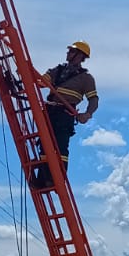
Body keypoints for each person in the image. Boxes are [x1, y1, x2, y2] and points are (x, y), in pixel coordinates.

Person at [31, 41, 99, 189]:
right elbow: (41, 82)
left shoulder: (86, 78)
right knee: (44, 145)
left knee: (60, 147)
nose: (68, 53)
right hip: (49, 111)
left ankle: (57, 180)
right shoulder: (58, 70)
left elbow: (93, 99)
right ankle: (43, 180)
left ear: (80, 56)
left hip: (65, 114)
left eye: (71, 51)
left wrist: (87, 114)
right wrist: (26, 74)